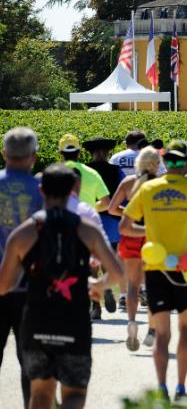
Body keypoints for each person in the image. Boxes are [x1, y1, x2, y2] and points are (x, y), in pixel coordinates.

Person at [0, 164, 123, 409]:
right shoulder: (87, 230)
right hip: (73, 320)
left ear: (41, 190)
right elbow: (117, 273)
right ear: (74, 189)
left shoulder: (23, 233)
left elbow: (4, 286)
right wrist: (98, 284)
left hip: (36, 322)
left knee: (41, 395)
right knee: (75, 394)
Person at [122, 140, 187, 399]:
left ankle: (162, 387)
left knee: (162, 333)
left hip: (156, 269)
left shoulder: (148, 187)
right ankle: (181, 387)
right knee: (186, 329)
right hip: (186, 270)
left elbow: (124, 227)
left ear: (165, 163)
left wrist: (150, 231)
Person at [0, 127, 43, 407]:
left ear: (4, 153)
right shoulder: (42, 192)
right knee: (30, 361)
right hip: (30, 286)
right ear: (34, 157)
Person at [109, 147, 162, 350]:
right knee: (153, 284)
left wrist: (129, 213)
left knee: (133, 284)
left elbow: (112, 208)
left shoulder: (128, 182)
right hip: (152, 235)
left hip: (130, 233)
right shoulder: (159, 184)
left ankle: (132, 323)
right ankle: (151, 327)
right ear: (155, 165)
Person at [82, 137, 125, 317]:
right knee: (108, 259)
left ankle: (95, 306)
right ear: (109, 153)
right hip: (111, 222)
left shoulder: (84, 171)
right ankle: (106, 287)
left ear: (90, 153)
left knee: (91, 265)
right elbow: (125, 195)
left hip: (88, 221)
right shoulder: (117, 171)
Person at [58, 134, 110, 213]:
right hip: (86, 221)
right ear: (79, 152)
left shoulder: (52, 173)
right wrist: (90, 208)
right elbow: (106, 204)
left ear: (60, 153)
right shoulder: (92, 173)